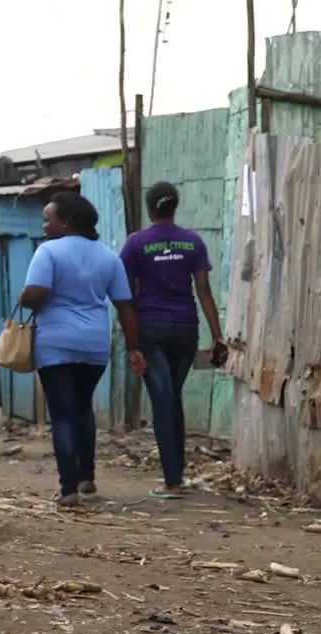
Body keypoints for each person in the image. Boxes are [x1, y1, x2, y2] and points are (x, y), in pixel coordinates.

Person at [19, 191, 144, 507]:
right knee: (83, 408)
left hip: (56, 343)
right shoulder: (108, 257)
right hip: (94, 344)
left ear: (66, 222)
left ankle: (68, 488)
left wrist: (25, 298)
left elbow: (36, 293)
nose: (44, 225)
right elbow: (125, 307)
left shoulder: (48, 252)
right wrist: (134, 348)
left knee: (61, 414)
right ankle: (87, 476)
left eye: (49, 219)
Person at [119, 182, 226, 500]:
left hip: (150, 330)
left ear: (150, 208)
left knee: (164, 402)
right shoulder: (192, 242)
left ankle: (173, 482)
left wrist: (132, 342)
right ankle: (176, 474)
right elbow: (203, 291)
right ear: (174, 207)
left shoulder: (136, 244)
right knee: (172, 398)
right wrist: (217, 335)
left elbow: (126, 295)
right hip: (186, 330)